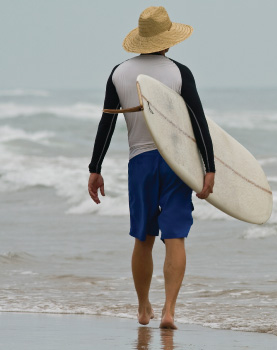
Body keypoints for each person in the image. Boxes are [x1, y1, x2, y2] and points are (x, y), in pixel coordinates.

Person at [87, 6, 216, 329]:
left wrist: (95, 167)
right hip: (176, 162)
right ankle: (169, 310)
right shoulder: (179, 72)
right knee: (175, 237)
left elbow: (107, 123)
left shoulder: (119, 73)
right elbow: (199, 123)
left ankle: (144, 308)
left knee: (143, 238)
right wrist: (209, 166)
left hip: (140, 163)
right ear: (168, 40)